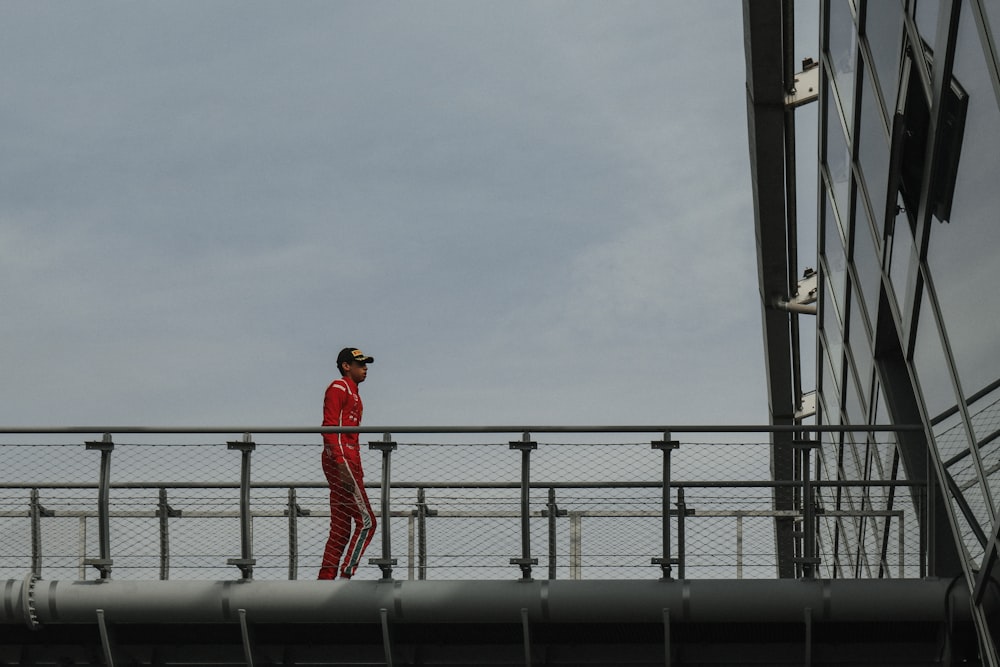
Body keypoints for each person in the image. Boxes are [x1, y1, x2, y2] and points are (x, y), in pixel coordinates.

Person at [318, 347, 377, 580]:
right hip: (341, 460)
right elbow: (330, 427)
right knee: (367, 522)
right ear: (346, 366)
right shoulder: (338, 387)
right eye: (360, 364)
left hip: (347, 462)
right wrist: (341, 463)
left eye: (366, 364)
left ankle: (325, 581)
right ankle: (345, 576)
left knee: (341, 528)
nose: (365, 368)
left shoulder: (355, 393)